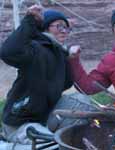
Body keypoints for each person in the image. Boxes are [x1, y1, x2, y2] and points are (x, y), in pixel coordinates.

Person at [0, 4, 74, 144]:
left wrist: (70, 59)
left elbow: (67, 83)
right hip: (19, 123)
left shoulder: (58, 52)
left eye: (66, 28)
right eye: (59, 26)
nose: (64, 31)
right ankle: (10, 139)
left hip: (43, 119)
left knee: (80, 101)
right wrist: (30, 20)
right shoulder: (35, 48)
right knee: (52, 144)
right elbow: (8, 52)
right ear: (45, 27)